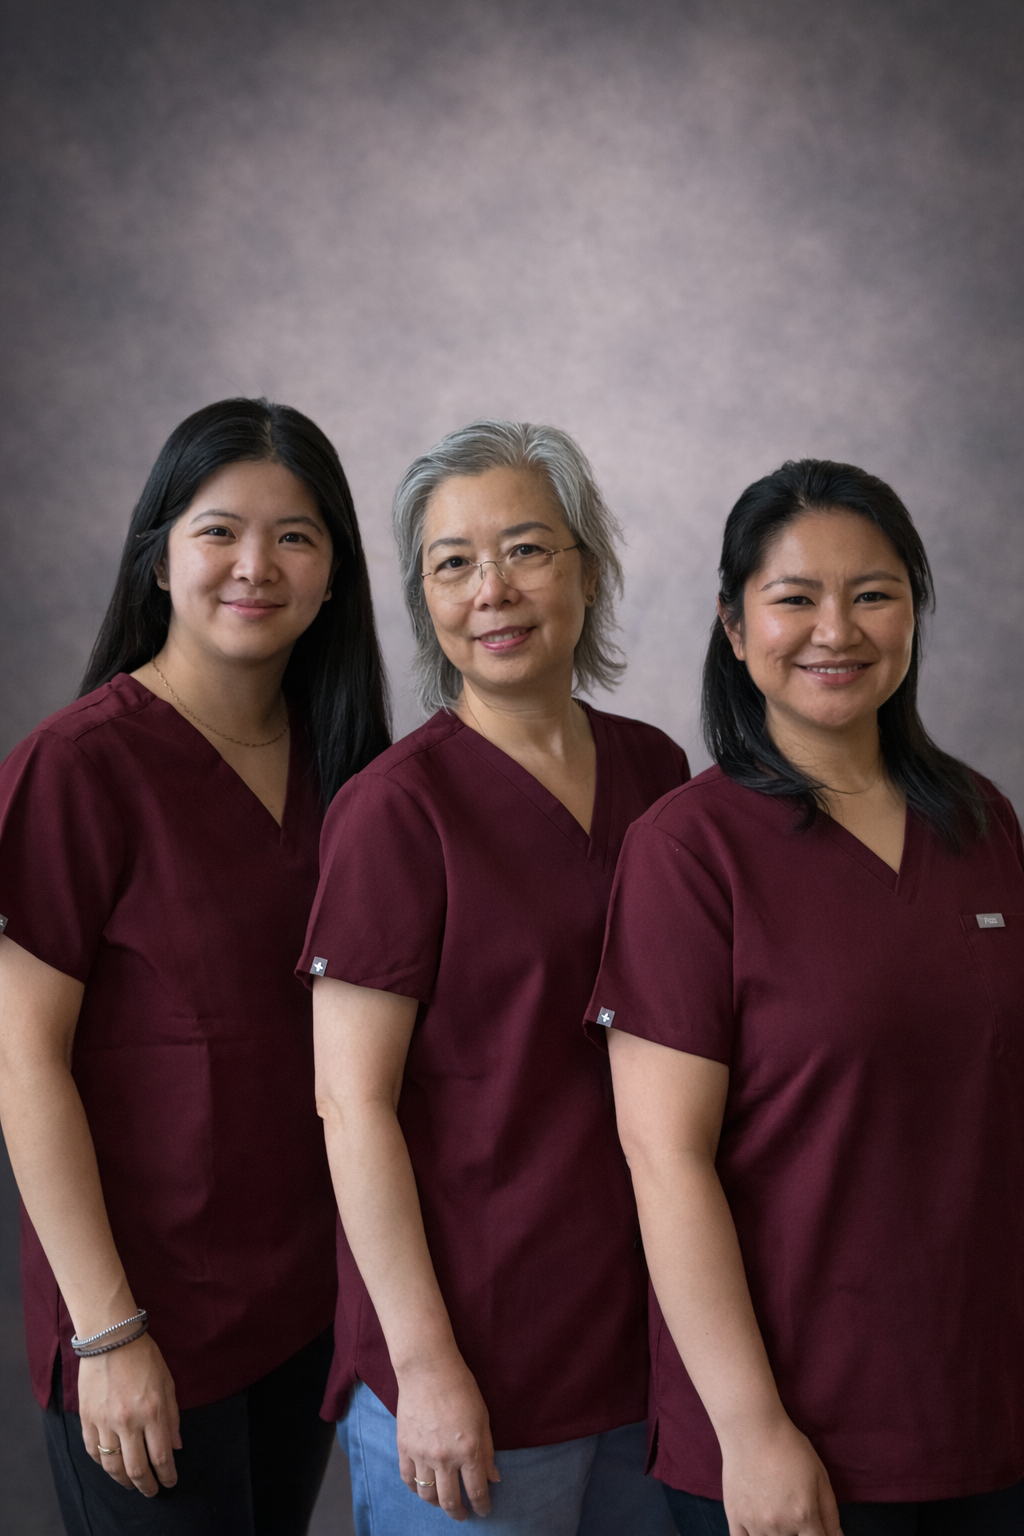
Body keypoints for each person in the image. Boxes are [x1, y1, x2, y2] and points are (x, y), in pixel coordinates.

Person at [587, 458, 1024, 1536]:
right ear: (735, 629)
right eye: (793, 598)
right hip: (796, 1435)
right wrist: (752, 1432)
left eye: (873, 593)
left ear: (913, 613)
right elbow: (664, 1158)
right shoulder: (686, 851)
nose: (837, 629)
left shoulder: (980, 820)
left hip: (985, 1406)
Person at [0, 397, 391, 1536]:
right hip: (140, 1321)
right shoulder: (79, 769)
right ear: (161, 558)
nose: (255, 566)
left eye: (297, 536)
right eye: (219, 530)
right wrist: (106, 1334)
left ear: (333, 577)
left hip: (306, 1311)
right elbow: (24, 1064)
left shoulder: (351, 774)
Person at [302, 420, 688, 1534]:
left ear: (587, 566)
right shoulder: (393, 812)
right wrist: (423, 1369)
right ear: (423, 597)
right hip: (473, 1360)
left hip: (646, 1344)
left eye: (526, 548)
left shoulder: (656, 773)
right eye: (452, 563)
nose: (493, 590)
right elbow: (350, 1104)